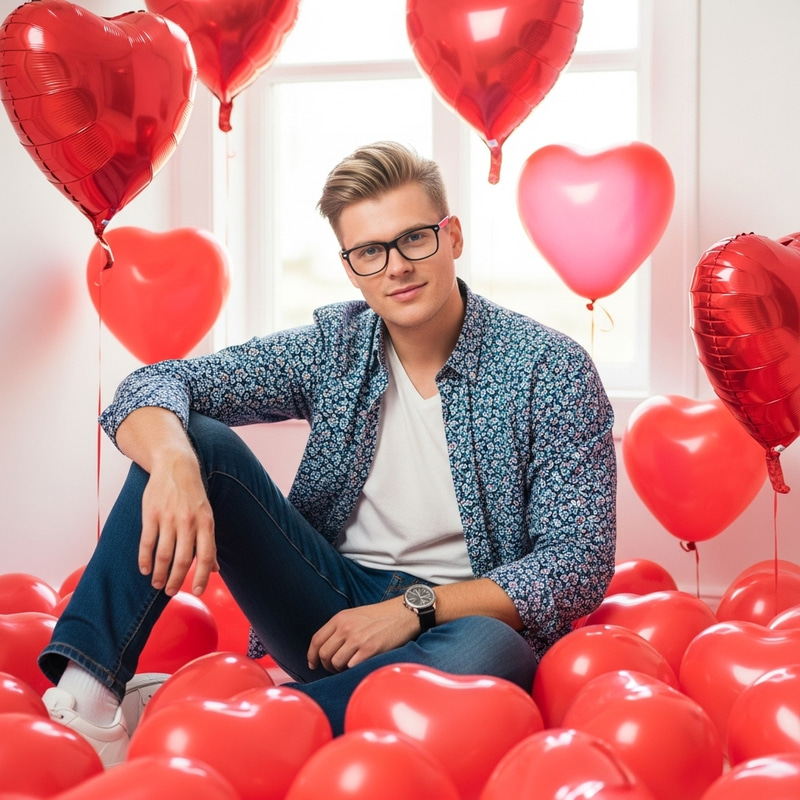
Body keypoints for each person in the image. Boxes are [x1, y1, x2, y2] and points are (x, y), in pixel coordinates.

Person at [38, 141, 617, 766]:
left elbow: (576, 561)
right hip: (326, 612)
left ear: (453, 237)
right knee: (194, 438)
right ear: (350, 267)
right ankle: (89, 701)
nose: (396, 267)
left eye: (414, 238)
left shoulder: (549, 368)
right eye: (370, 251)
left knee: (492, 651)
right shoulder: (333, 347)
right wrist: (177, 464)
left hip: (456, 619)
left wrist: (413, 610)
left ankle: (247, 734)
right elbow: (153, 385)